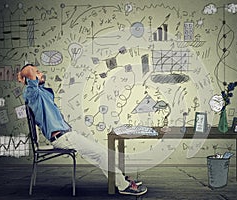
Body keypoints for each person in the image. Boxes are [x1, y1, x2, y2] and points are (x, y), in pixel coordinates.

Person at [17, 64, 147, 196]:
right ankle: (123, 186)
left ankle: (120, 179)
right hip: (62, 138)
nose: (40, 73)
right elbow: (30, 71)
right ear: (29, 79)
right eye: (37, 72)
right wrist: (23, 76)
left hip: (68, 135)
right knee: (101, 155)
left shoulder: (42, 93)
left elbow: (36, 79)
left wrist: (31, 77)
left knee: (103, 152)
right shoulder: (31, 93)